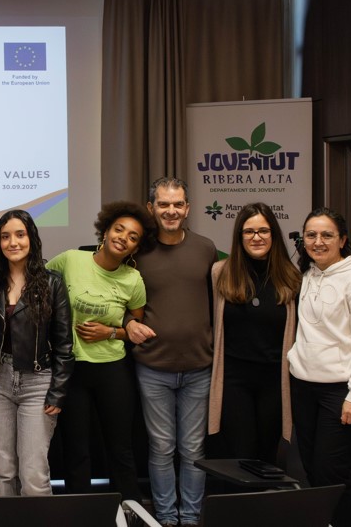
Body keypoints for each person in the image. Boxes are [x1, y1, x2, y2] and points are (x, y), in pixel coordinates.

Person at [46, 201, 156, 501]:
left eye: (132, 237)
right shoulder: (70, 260)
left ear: (136, 248)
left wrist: (109, 332)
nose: (123, 238)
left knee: (120, 449)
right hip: (72, 369)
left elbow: (133, 327)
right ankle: (81, 515)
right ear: (105, 231)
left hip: (113, 369)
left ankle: (130, 511)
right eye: (119, 229)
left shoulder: (133, 280)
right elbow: (40, 288)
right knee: (76, 449)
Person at [124, 177, 216, 527]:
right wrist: (127, 324)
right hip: (153, 366)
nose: (171, 211)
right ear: (151, 208)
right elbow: (120, 299)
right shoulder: (137, 252)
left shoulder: (206, 249)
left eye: (178, 204)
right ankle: (165, 518)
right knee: (161, 448)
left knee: (193, 450)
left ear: (187, 208)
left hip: (199, 367)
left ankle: (190, 518)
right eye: (163, 204)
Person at [289, 207, 351, 527]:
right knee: (314, 472)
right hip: (305, 388)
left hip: (343, 393)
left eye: (327, 235)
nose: (318, 241)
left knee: (333, 475)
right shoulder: (308, 274)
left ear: (342, 240)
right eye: (311, 235)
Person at [0, 210, 74, 497]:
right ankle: (7, 518)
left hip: (38, 382)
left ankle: (38, 518)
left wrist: (58, 392)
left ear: (31, 238)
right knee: (5, 471)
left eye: (20, 235)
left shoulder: (52, 283)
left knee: (33, 474)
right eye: (5, 236)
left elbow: (64, 344)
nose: (13, 242)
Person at [207, 202, 301, 465]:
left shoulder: (291, 278)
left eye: (263, 231)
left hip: (275, 381)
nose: (256, 237)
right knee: (241, 453)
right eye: (249, 231)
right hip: (234, 380)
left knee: (268, 454)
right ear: (239, 237)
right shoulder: (220, 273)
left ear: (274, 234)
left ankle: (266, 494)